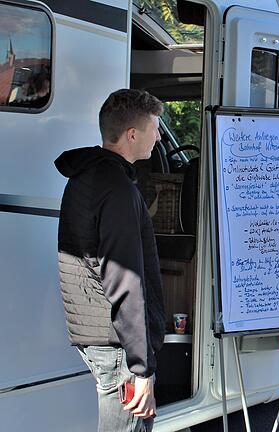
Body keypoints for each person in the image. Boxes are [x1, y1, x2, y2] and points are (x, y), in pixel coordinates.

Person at [56, 88, 165, 431]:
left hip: (97, 334)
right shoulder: (117, 189)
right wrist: (141, 368)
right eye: (154, 127)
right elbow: (125, 281)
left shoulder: (86, 176)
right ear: (132, 134)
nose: (159, 136)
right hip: (118, 343)